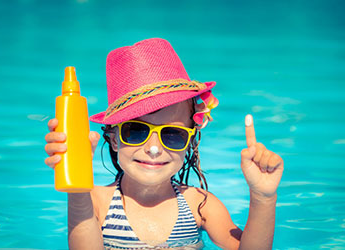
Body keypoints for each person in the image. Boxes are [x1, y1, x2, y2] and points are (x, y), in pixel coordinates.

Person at [44, 38, 284, 249]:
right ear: (114, 138)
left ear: (190, 140)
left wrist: (263, 197)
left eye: (172, 135)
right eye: (136, 131)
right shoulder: (96, 200)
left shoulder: (200, 204)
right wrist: (77, 181)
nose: (154, 148)